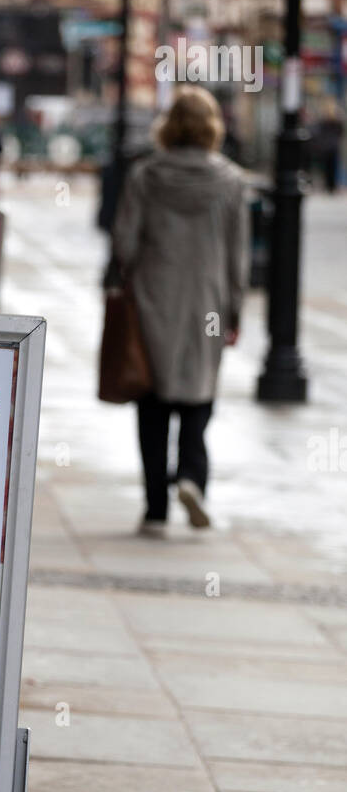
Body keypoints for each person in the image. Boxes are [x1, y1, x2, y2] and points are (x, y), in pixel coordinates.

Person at [112, 87, 249, 535]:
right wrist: (235, 311)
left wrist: (121, 276)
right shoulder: (231, 181)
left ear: (168, 126)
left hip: (154, 297)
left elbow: (125, 242)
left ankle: (155, 509)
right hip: (207, 300)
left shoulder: (146, 175)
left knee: (152, 403)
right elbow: (238, 254)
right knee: (198, 394)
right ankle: (191, 477)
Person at [315, 99, 344, 194]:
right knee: (332, 167)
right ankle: (331, 186)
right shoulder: (333, 121)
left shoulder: (329, 121)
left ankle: (330, 185)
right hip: (332, 146)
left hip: (328, 146)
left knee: (329, 167)